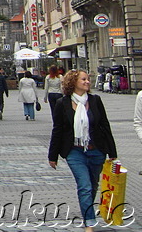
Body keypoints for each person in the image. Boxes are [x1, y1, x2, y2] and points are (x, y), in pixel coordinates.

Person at [48, 69, 117, 232]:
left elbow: (105, 126)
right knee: (84, 185)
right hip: (74, 151)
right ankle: (89, 222)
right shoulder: (62, 103)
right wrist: (53, 155)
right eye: (83, 79)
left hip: (96, 150)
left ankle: (88, 212)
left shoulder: (95, 100)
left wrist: (112, 153)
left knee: (93, 185)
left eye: (88, 79)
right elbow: (57, 129)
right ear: (73, 83)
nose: (87, 82)